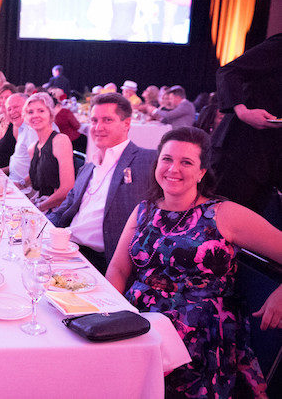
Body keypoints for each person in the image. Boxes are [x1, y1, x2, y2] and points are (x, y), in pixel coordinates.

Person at [106, 127, 280, 397]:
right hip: (140, 322)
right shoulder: (144, 209)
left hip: (199, 336)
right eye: (167, 159)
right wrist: (110, 314)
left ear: (201, 172)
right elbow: (118, 269)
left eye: (186, 162)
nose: (173, 169)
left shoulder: (224, 214)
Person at [47, 93, 157, 273]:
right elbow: (64, 209)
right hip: (67, 248)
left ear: (126, 124)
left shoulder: (147, 160)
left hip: (100, 261)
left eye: (107, 120)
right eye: (94, 120)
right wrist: (37, 228)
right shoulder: (88, 167)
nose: (98, 127)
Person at [211, 33, 281, 214]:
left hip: (270, 160)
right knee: (219, 219)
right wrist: (243, 112)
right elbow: (228, 71)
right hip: (240, 151)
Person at [25, 92, 75, 211]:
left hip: (57, 211)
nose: (35, 115)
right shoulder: (32, 148)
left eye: (41, 111)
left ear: (51, 115)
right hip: (42, 206)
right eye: (30, 112)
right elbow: (38, 181)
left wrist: (37, 208)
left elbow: (67, 189)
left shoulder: (61, 141)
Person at [2, 93, 35, 181]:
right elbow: (22, 162)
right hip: (12, 182)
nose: (12, 112)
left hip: (24, 191)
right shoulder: (22, 128)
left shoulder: (33, 130)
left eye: (16, 107)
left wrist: (22, 186)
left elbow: (40, 169)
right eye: (9, 109)